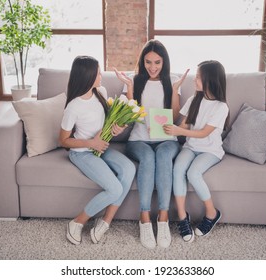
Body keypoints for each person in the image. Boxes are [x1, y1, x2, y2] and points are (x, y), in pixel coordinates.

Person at [114, 39, 188, 249]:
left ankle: (163, 218)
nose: (153, 67)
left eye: (157, 62)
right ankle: (144, 218)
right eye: (148, 62)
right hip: (138, 140)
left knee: (163, 156)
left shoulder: (171, 80)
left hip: (166, 140)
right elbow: (129, 117)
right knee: (147, 157)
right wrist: (129, 88)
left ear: (164, 62)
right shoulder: (134, 81)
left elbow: (173, 117)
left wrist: (175, 91)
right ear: (142, 61)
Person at [59, 55, 136, 245]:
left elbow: (110, 122)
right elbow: (63, 141)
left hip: (103, 146)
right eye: (98, 72)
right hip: (82, 152)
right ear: (88, 75)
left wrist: (119, 127)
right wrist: (91, 143)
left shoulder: (100, 91)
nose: (101, 75)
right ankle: (77, 222)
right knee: (115, 188)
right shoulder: (73, 107)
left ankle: (105, 221)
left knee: (129, 169)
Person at [163, 60, 229, 243]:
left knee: (193, 173)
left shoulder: (221, 107)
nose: (195, 80)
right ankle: (182, 217)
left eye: (199, 77)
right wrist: (165, 126)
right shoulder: (194, 99)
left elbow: (204, 133)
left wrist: (179, 131)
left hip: (210, 151)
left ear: (210, 79)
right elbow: (183, 125)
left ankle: (212, 213)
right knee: (177, 170)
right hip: (191, 147)